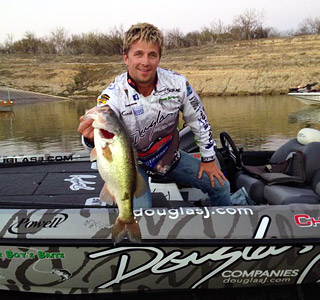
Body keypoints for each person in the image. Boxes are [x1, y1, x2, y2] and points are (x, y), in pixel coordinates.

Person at [78, 22, 231, 208]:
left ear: (159, 58)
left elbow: (199, 121)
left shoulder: (178, 84)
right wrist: (89, 139)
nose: (145, 62)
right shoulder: (111, 96)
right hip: (132, 164)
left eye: (152, 55)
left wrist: (208, 159)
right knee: (141, 214)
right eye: (138, 54)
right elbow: (100, 144)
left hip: (169, 156)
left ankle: (222, 232)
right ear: (126, 58)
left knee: (221, 186)